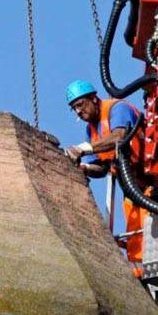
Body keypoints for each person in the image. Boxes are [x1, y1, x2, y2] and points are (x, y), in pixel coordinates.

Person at [63, 80, 146, 276]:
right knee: (136, 231)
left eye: (80, 105)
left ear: (93, 98)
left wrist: (85, 148)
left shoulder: (117, 109)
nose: (78, 112)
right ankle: (139, 271)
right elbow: (100, 168)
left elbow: (119, 137)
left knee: (149, 228)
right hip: (131, 188)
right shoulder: (91, 129)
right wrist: (84, 168)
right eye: (74, 108)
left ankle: (145, 268)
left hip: (150, 181)